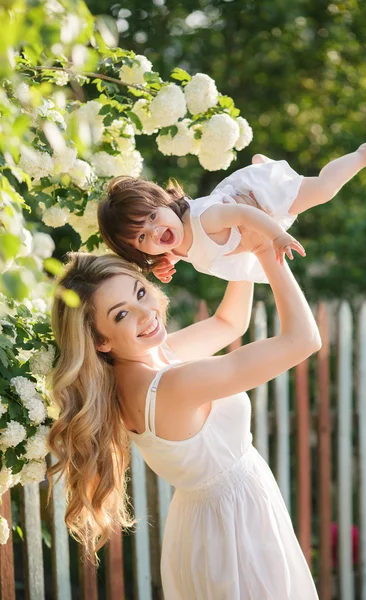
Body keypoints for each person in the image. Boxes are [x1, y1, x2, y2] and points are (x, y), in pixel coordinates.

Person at [48, 231, 322, 599]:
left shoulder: (145, 367)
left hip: (208, 522)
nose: (147, 314)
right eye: (123, 314)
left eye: (140, 292)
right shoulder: (173, 387)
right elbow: (303, 340)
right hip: (235, 529)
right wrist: (265, 250)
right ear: (100, 340)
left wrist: (241, 244)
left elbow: (229, 323)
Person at [97, 144, 366, 283]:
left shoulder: (203, 219)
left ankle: (361, 155)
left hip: (260, 201)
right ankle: (261, 163)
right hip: (239, 216)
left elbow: (244, 215)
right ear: (136, 250)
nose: (155, 231)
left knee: (324, 189)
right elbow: (189, 247)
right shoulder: (172, 242)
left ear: (164, 202)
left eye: (152, 217)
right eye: (141, 237)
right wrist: (167, 261)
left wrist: (277, 235)